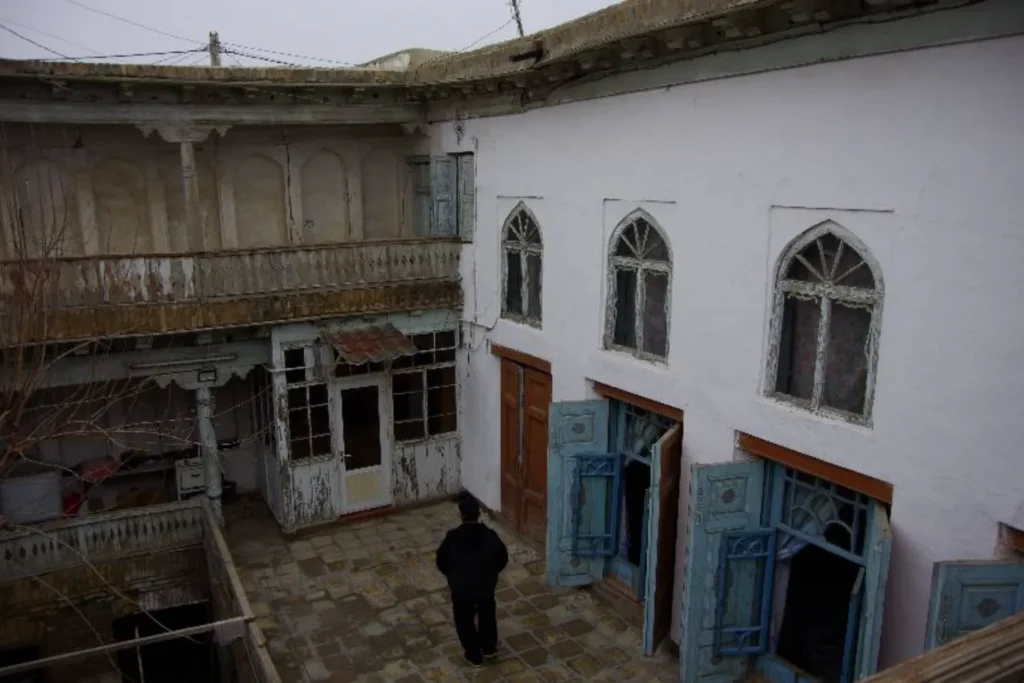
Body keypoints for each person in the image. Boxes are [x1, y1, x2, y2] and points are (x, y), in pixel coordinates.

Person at [435, 496, 509, 667]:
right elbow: (502, 557)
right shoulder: (489, 536)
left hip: (462, 589)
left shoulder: (452, 538)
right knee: (487, 615)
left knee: (464, 620)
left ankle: (473, 654)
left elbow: (441, 561)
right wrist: (491, 573)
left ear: (462, 515)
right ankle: (489, 649)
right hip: (485, 586)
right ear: (478, 514)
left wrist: (453, 576)